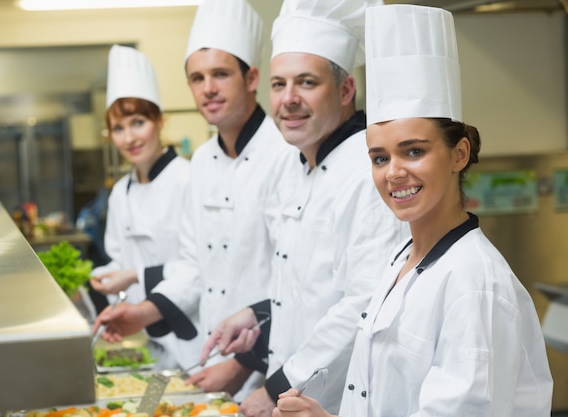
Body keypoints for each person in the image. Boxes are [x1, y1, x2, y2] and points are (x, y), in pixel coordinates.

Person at [272, 5, 554, 417]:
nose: (395, 172)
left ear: (459, 154)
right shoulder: (403, 259)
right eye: (379, 157)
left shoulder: (473, 284)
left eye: (415, 151)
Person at [195, 1, 408, 416]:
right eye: (278, 85)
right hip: (294, 395)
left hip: (334, 401)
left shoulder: (370, 171)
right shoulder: (294, 168)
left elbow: (364, 305)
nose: (288, 99)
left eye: (306, 83)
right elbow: (304, 290)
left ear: (346, 91)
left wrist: (276, 388)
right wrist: (255, 316)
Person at [92, 0, 292, 398]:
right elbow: (192, 263)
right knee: (148, 405)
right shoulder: (202, 161)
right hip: (206, 354)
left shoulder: (285, 154)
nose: (208, 89)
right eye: (197, 78)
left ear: (251, 78)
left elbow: (297, 285)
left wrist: (243, 365)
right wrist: (142, 313)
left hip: (271, 365)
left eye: (220, 74)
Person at [88, 44, 191, 369]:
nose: (128, 137)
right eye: (118, 128)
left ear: (160, 121)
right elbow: (120, 259)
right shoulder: (121, 192)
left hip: (194, 335)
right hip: (147, 340)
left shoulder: (188, 179)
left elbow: (201, 267)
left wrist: (132, 277)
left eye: (138, 122)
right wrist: (98, 280)